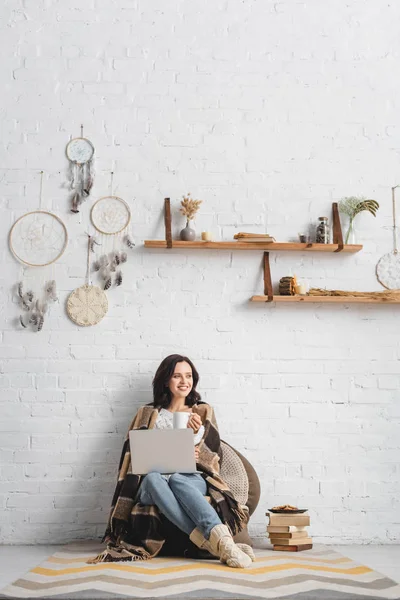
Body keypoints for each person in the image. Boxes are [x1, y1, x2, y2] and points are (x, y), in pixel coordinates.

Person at [88, 354, 254, 568]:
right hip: (152, 483)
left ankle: (217, 544)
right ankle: (224, 544)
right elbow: (134, 454)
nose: (184, 381)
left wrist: (196, 448)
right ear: (166, 380)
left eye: (188, 376)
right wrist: (174, 443)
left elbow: (213, 455)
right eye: (177, 376)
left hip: (189, 478)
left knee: (178, 478)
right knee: (155, 478)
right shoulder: (147, 413)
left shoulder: (201, 412)